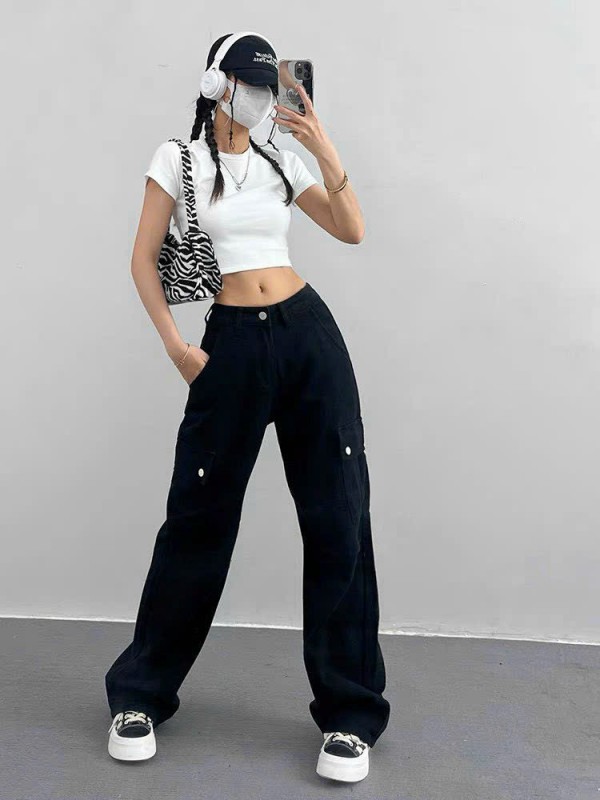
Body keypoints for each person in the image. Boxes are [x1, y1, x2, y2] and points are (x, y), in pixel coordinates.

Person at [104, 31, 390, 783]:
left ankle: (350, 715)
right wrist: (178, 349)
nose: (262, 98)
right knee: (196, 520)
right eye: (250, 84)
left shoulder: (281, 160)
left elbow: (352, 229)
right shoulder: (178, 159)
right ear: (216, 83)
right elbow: (142, 258)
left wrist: (321, 144)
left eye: (270, 87)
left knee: (338, 515)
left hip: (307, 337)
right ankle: (139, 695)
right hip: (230, 344)